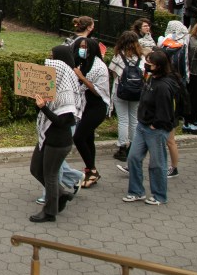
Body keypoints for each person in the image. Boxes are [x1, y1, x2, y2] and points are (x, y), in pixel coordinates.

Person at [29, 46, 81, 222]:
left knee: (50, 174)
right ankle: (61, 194)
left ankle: (50, 211)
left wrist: (44, 108)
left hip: (58, 141)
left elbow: (63, 121)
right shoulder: (55, 87)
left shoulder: (66, 94)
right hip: (47, 136)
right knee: (36, 168)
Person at [123, 50, 179, 205]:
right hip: (142, 126)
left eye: (150, 63)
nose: (146, 65)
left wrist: (156, 125)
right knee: (133, 158)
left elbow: (166, 111)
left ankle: (159, 195)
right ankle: (136, 191)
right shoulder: (150, 79)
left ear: (159, 66)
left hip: (155, 130)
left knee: (157, 163)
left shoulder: (162, 86)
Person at [71, 37, 110, 188]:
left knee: (79, 137)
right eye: (80, 46)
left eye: (84, 47)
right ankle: (90, 171)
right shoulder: (82, 62)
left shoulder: (99, 68)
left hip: (97, 106)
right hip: (84, 106)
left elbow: (99, 91)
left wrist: (82, 77)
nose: (82, 49)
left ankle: (92, 170)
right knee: (88, 138)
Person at [109, 31, 144, 162]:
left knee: (123, 119)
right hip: (137, 91)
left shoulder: (119, 56)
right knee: (134, 119)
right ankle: (133, 147)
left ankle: (122, 147)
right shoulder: (141, 58)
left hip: (121, 90)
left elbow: (113, 73)